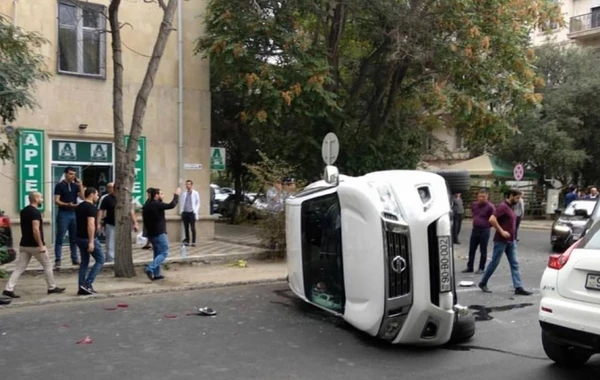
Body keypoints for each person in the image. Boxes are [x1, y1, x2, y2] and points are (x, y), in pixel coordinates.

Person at [2, 192, 66, 299]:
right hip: (35, 245)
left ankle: (8, 289)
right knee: (47, 264)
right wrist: (41, 245)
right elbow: (35, 229)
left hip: (24, 244)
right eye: (41, 198)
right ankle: (51, 287)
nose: (42, 200)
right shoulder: (35, 212)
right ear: (36, 199)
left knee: (19, 268)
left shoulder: (24, 211)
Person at [478, 189, 532, 296]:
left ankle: (518, 287)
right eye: (517, 197)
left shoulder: (510, 207)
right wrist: (501, 231)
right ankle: (483, 282)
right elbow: (492, 219)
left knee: (514, 263)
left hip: (511, 241)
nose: (518, 200)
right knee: (495, 262)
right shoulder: (503, 206)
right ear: (511, 196)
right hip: (501, 241)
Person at [142, 187, 181, 281]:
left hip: (151, 234)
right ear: (156, 196)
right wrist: (176, 195)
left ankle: (157, 274)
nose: (163, 196)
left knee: (157, 253)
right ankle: (150, 268)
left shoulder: (147, 205)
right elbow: (171, 205)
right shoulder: (156, 205)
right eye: (161, 194)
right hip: (159, 233)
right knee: (164, 252)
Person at [97, 182, 139, 262]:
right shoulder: (107, 198)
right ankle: (110, 261)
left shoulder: (125, 198)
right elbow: (101, 211)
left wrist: (135, 223)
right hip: (111, 224)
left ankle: (123, 260)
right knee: (111, 244)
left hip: (123, 224)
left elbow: (131, 211)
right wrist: (98, 223)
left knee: (124, 244)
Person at [53, 167, 85, 268]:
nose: (72, 176)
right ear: (66, 174)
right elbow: (56, 201)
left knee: (74, 237)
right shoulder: (59, 186)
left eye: (74, 174)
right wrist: (68, 204)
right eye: (71, 174)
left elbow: (83, 197)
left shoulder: (75, 186)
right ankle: (58, 259)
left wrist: (80, 185)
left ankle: (74, 258)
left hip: (74, 213)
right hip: (64, 213)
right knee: (60, 237)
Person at [75, 187, 104, 295]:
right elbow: (90, 224)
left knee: (84, 262)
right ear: (91, 195)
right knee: (100, 259)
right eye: (97, 194)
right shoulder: (91, 208)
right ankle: (87, 284)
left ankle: (81, 286)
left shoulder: (80, 206)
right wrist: (91, 241)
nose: (98, 197)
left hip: (79, 237)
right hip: (88, 238)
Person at [462, 189, 494, 274]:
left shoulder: (490, 207)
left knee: (483, 250)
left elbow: (493, 218)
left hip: (484, 230)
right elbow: (474, 213)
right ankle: (470, 267)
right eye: (479, 196)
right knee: (471, 249)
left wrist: (487, 225)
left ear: (487, 197)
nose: (481, 198)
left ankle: (481, 268)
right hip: (475, 229)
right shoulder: (474, 205)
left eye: (483, 196)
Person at [179, 180, 200, 247]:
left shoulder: (195, 193)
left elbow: (198, 203)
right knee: (186, 228)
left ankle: (193, 241)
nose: (188, 186)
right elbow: (182, 203)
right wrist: (182, 211)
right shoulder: (184, 194)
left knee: (192, 228)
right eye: (187, 184)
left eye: (189, 184)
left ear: (191, 185)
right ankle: (187, 241)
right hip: (185, 213)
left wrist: (195, 211)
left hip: (192, 212)